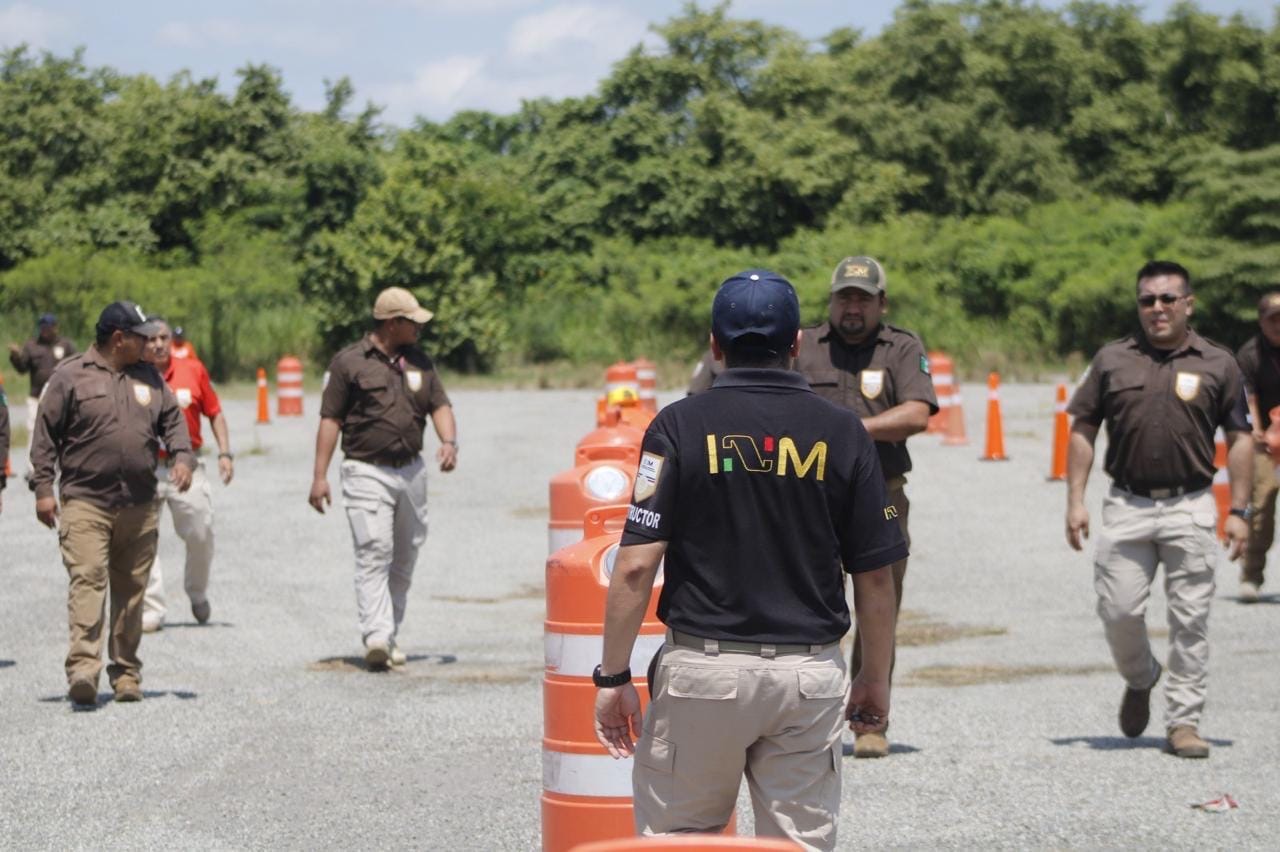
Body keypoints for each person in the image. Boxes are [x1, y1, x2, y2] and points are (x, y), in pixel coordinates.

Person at [593, 270, 905, 849]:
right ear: (796, 344)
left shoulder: (678, 426)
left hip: (702, 675)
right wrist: (873, 677)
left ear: (716, 344)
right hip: (807, 678)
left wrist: (613, 677)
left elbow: (635, 566)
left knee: (682, 840)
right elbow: (876, 575)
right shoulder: (844, 433)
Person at [1066, 260, 1251, 759]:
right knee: (1119, 610)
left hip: (1190, 505)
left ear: (1188, 304)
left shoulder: (1219, 362)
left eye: (1169, 298)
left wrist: (1241, 509)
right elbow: (1082, 427)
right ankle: (1142, 675)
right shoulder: (1111, 360)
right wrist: (1075, 501)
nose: (1158, 308)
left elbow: (1239, 437)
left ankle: (1184, 723)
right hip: (1126, 506)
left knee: (1190, 621)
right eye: (1148, 299)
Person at [793, 255, 938, 758]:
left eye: (863, 298)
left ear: (882, 303)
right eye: (844, 297)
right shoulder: (803, 345)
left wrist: (851, 431)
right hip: (810, 497)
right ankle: (807, 718)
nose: (852, 307)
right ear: (830, 300)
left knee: (879, 606)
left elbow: (918, 413)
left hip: (883, 495)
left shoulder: (901, 346)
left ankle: (869, 720)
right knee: (809, 603)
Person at [30, 302, 193, 707]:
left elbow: (173, 423)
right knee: (87, 578)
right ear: (119, 338)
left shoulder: (151, 378)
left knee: (131, 591)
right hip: (86, 501)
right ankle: (84, 670)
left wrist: (182, 458)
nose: (151, 343)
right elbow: (45, 434)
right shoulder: (69, 376)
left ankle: (126, 674)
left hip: (138, 504)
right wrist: (44, 489)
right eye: (141, 336)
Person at [308, 287, 458, 670]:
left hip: (411, 470)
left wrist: (449, 442)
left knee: (405, 556)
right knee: (374, 549)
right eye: (413, 322)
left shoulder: (421, 362)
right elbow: (330, 420)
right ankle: (375, 635)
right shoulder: (348, 363)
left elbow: (440, 405)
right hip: (364, 470)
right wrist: (319, 476)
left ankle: (388, 634)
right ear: (393, 323)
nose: (420, 328)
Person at [140, 319, 234, 631]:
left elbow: (215, 411)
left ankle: (197, 592)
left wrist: (225, 452)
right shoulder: (132, 375)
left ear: (172, 341)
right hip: (146, 468)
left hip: (187, 465)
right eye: (151, 338)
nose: (158, 344)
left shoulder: (193, 369)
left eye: (163, 338)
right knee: (142, 538)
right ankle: (152, 607)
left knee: (201, 533)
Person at [1234, 291, 1280, 603]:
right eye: (1273, 319)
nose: (1279, 325)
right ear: (1262, 322)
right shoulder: (1250, 354)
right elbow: (1247, 396)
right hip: (1267, 440)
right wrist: (1257, 430)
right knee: (1262, 503)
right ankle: (1251, 575)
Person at [8, 313, 77, 477]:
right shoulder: (32, 346)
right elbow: (22, 369)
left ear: (55, 328)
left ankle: (62, 465)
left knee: (63, 431)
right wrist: (15, 357)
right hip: (36, 396)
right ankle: (33, 468)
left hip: (61, 397)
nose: (45, 331)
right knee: (33, 430)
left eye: (48, 327)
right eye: (43, 328)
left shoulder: (65, 345)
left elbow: (76, 367)